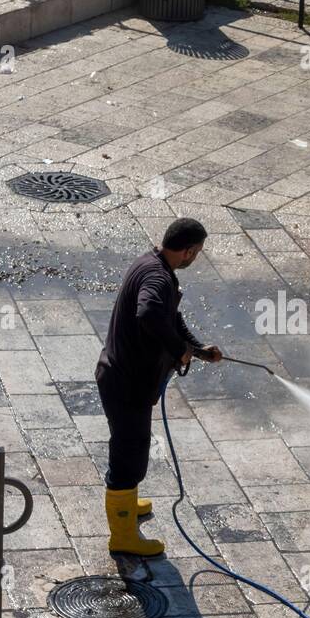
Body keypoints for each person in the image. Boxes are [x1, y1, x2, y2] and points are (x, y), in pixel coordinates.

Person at [96, 218, 222, 556]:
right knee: (128, 457)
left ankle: (127, 504)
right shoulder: (157, 277)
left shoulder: (153, 264)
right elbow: (149, 312)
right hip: (127, 384)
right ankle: (122, 537)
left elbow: (171, 318)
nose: (197, 257)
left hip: (121, 377)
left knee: (132, 451)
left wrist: (196, 347)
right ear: (189, 250)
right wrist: (178, 348)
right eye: (198, 252)